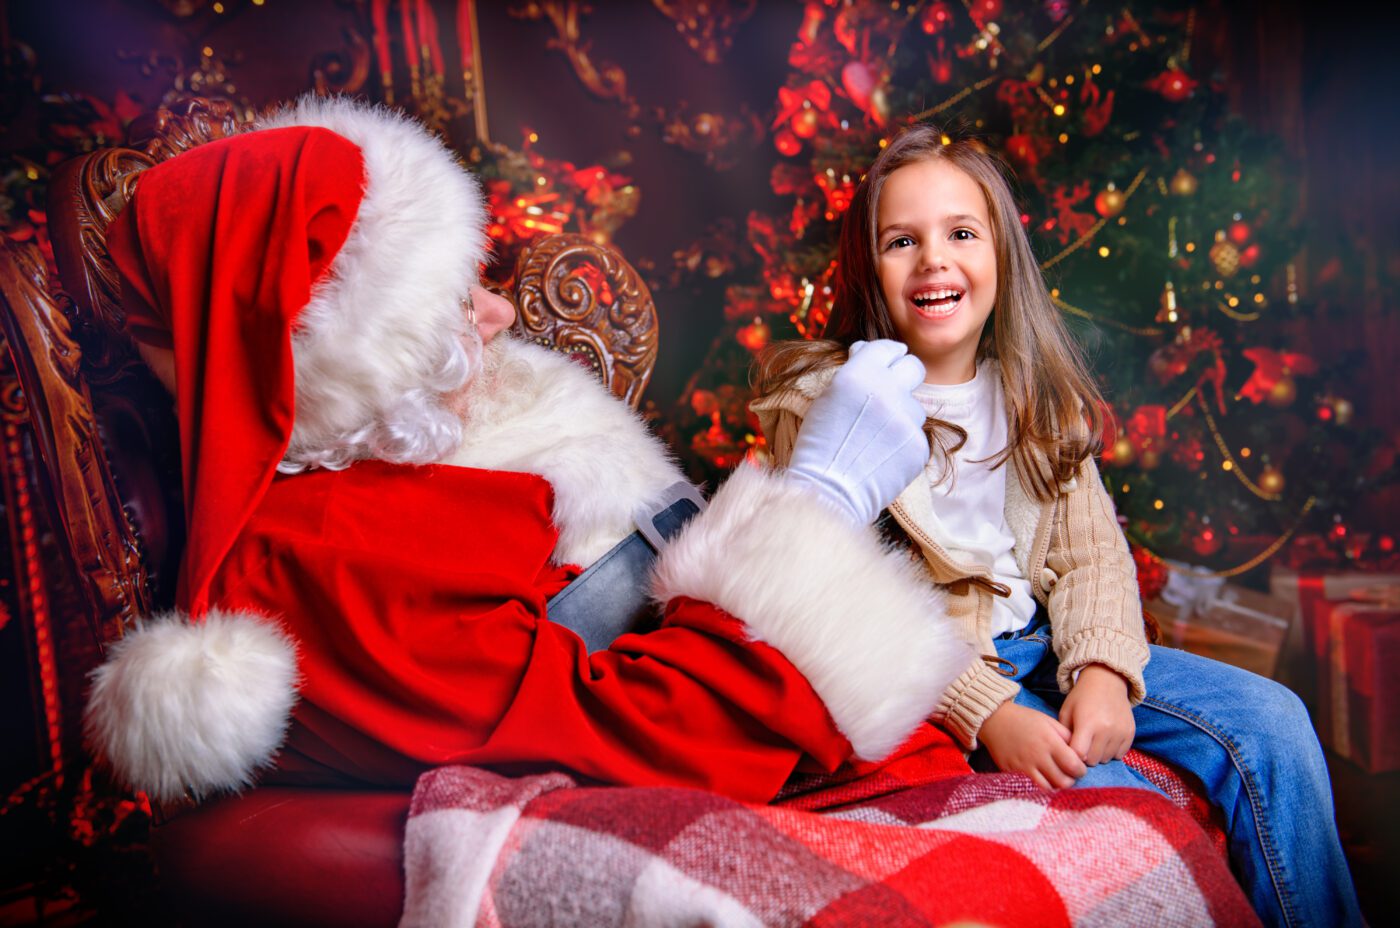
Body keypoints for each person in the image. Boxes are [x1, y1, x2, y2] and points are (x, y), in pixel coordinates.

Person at [82, 95, 975, 813]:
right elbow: (640, 747)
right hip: (780, 794)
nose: (502, 314)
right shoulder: (331, 563)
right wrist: (823, 496)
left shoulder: (410, 453)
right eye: (453, 303)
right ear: (346, 360)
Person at [750, 124, 1360, 928]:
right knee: (1128, 809)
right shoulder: (830, 405)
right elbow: (849, 604)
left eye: (961, 234)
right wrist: (989, 712)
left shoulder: (1034, 398)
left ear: (1001, 259)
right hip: (939, 671)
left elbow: (1090, 556)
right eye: (903, 241)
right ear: (870, 270)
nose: (935, 259)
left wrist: (1102, 668)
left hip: (1036, 642)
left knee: (1274, 718)